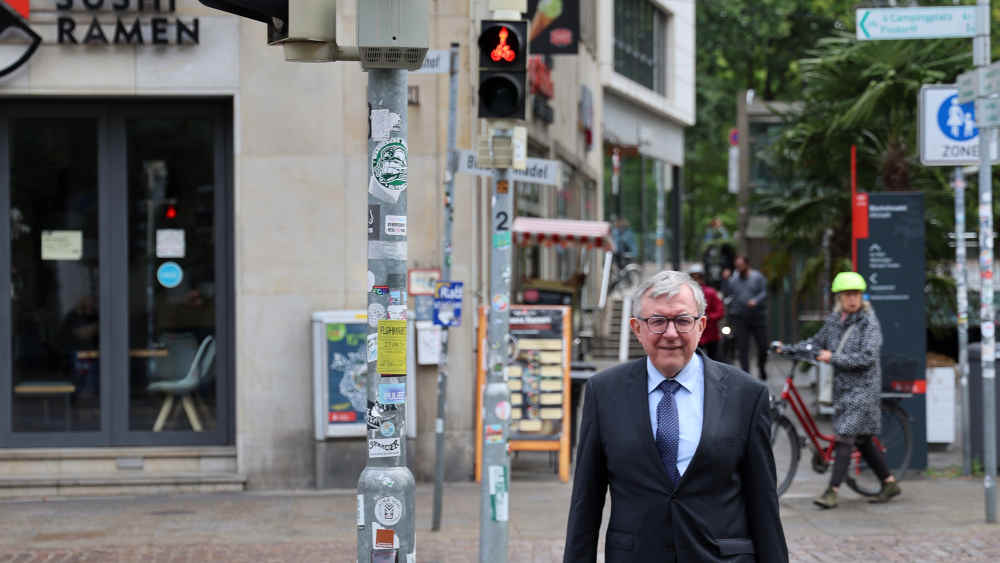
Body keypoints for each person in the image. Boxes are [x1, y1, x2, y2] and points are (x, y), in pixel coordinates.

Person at [563, 270, 788, 562]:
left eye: (682, 320)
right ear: (636, 328)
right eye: (657, 321)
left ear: (701, 326)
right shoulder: (603, 393)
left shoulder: (746, 395)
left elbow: (763, 505)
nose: (670, 333)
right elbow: (586, 501)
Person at [775, 271, 901, 508]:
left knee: (844, 436)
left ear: (861, 297)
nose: (852, 299)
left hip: (863, 389)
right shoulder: (835, 321)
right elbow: (815, 342)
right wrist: (788, 349)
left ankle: (832, 491)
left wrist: (833, 357)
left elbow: (867, 357)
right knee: (862, 440)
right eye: (847, 295)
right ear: (839, 298)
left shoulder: (868, 323)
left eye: (855, 295)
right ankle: (889, 482)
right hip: (843, 390)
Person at [722, 255, 769, 379]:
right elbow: (727, 294)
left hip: (757, 316)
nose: (738, 268)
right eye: (737, 266)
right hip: (740, 316)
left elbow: (764, 292)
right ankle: (746, 375)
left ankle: (761, 366)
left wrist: (756, 300)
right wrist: (726, 280)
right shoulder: (734, 279)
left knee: (763, 346)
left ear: (747, 265)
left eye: (740, 265)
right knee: (742, 347)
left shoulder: (757, 277)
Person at [687, 263, 725, 361]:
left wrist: (709, 317)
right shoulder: (686, 294)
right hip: (692, 334)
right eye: (693, 278)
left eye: (698, 277)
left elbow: (720, 311)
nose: (696, 281)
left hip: (711, 334)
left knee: (714, 360)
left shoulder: (710, 292)